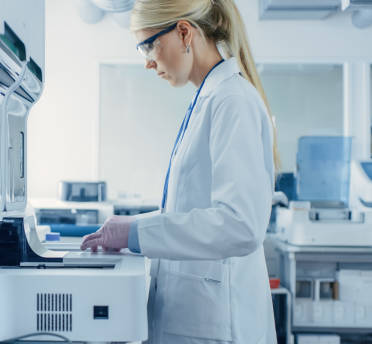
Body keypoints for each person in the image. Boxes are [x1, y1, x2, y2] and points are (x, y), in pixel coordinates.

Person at [80, 0, 278, 343]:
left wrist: (137, 232)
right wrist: (131, 231)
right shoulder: (208, 99)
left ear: (184, 32)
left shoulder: (232, 101)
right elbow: (188, 214)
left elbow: (240, 225)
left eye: (149, 45)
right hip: (196, 316)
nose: (147, 62)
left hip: (218, 324)